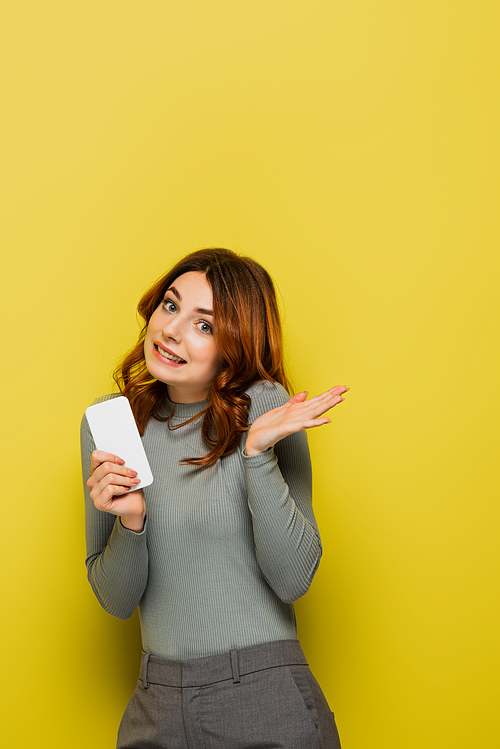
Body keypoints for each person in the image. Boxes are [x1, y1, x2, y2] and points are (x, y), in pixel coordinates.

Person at [81, 247, 348, 749]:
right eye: (170, 305)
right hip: (155, 704)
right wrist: (133, 521)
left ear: (235, 346)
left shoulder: (265, 407)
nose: (172, 331)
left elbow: (293, 579)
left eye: (205, 326)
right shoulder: (113, 425)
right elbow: (115, 601)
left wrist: (256, 454)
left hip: (262, 697)